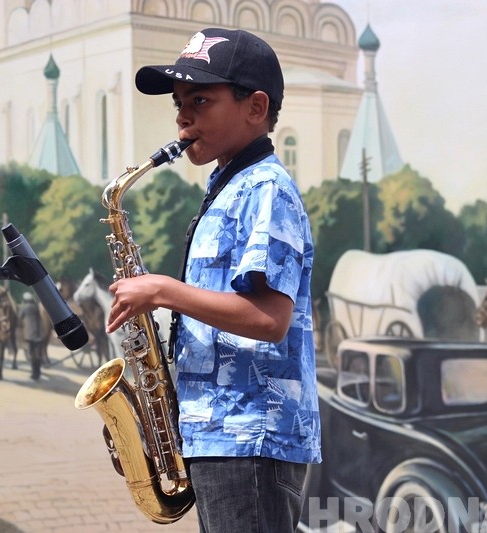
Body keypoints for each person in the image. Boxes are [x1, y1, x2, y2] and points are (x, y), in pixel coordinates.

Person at [107, 28, 321, 532]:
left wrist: (162, 291)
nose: (183, 117)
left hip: (252, 438)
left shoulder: (266, 188)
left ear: (255, 107)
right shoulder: (228, 187)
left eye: (200, 100)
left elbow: (270, 319)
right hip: (225, 437)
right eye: (179, 103)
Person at [18, 292, 44, 380]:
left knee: (32, 354)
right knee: (37, 353)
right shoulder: (35, 307)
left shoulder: (24, 307)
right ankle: (38, 372)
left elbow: (19, 318)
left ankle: (34, 374)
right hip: (38, 333)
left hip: (29, 334)